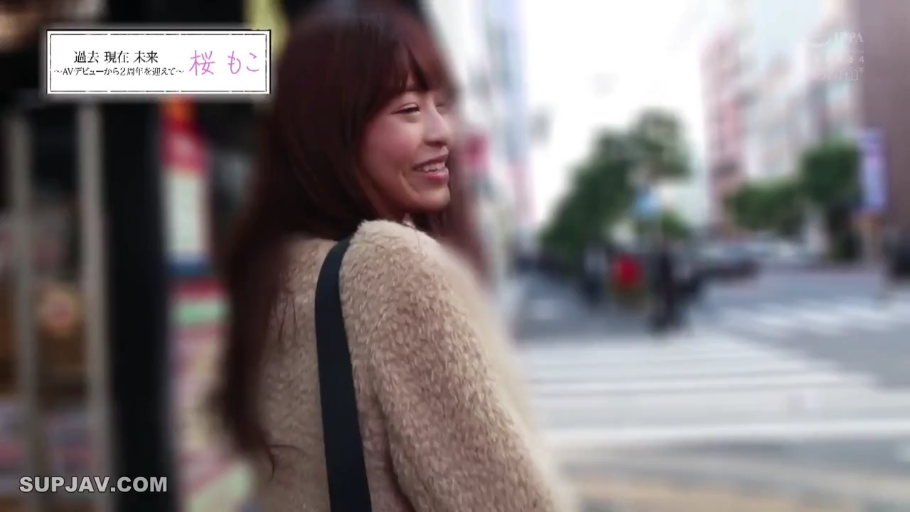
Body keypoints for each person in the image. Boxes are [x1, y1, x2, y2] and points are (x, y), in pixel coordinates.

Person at [213, 8, 575, 512]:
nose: (442, 132)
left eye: (440, 105)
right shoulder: (389, 266)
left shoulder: (275, 273)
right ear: (334, 132)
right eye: (408, 110)